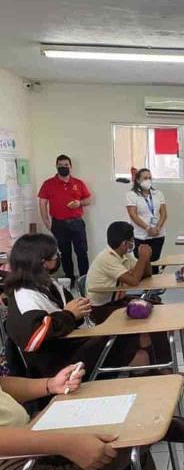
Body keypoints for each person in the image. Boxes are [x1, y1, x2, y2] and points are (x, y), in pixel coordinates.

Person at [0, 364, 184, 470]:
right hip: (8, 467)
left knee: (131, 457)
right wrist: (65, 444)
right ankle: (144, 434)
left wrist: (50, 385)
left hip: (28, 431)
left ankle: (142, 435)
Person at [5, 233, 147, 379]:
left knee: (133, 338)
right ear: (43, 262)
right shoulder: (24, 295)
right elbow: (33, 338)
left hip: (69, 345)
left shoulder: (49, 284)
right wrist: (70, 314)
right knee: (128, 342)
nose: (59, 255)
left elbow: (72, 314)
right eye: (55, 254)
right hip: (55, 365)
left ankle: (153, 379)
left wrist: (78, 310)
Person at [86, 222, 171, 365]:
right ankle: (157, 365)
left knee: (158, 309)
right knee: (147, 321)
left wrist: (146, 258)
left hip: (117, 301)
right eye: (132, 240)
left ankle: (162, 362)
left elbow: (146, 275)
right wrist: (143, 257)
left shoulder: (124, 256)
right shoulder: (107, 258)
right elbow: (133, 281)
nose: (133, 243)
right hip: (101, 308)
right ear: (125, 243)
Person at [38, 154, 91, 287]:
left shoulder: (78, 183)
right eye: (60, 165)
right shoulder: (48, 184)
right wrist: (47, 222)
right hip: (59, 224)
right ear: (56, 166)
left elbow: (88, 199)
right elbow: (42, 203)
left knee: (82, 252)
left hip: (77, 223)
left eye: (66, 165)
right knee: (64, 254)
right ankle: (70, 280)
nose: (63, 167)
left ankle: (85, 280)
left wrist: (79, 203)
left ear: (70, 166)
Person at [126, 168, 167, 274]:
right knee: (142, 263)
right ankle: (145, 287)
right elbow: (133, 214)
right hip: (140, 235)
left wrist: (157, 227)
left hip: (158, 234)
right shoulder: (132, 195)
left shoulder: (158, 194)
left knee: (154, 262)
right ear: (138, 180)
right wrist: (147, 228)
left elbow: (163, 213)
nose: (148, 180)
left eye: (150, 178)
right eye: (145, 178)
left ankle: (153, 287)